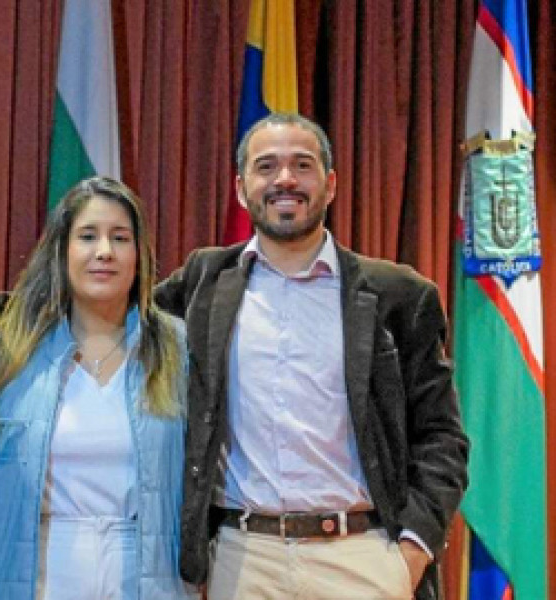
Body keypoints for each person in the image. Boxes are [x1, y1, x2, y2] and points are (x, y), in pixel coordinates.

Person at [153, 113, 470, 600]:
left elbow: (442, 437)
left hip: (362, 558)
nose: (284, 179)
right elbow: (110, 314)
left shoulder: (398, 295)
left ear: (330, 184)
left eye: (302, 165)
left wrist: (411, 552)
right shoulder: (204, 282)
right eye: (267, 167)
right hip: (241, 560)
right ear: (241, 189)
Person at [0, 177, 197, 600]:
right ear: (62, 252)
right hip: (38, 567)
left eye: (120, 238)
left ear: (139, 256)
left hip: (148, 568)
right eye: (87, 236)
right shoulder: (13, 349)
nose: (104, 252)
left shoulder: (177, 348)